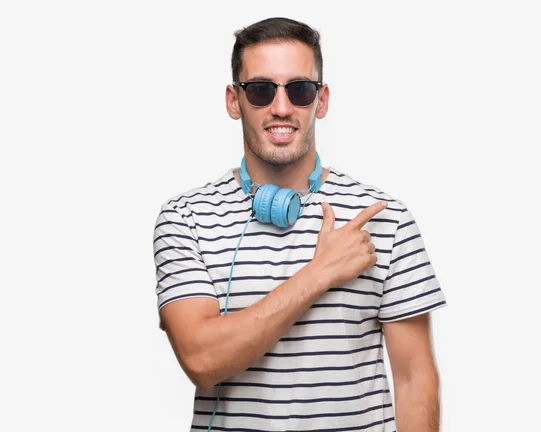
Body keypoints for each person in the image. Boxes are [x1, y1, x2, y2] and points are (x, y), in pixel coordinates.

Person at [152, 17, 448, 432]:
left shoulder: (385, 219)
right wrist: (320, 273)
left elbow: (415, 378)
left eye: (299, 89)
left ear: (321, 101)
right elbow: (202, 361)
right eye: (260, 90)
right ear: (233, 101)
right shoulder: (186, 218)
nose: (281, 107)